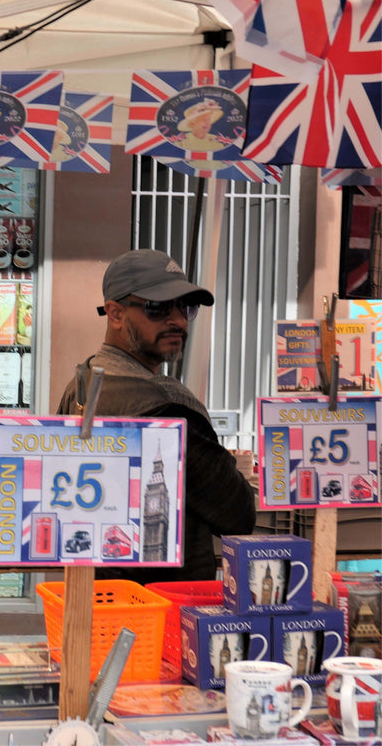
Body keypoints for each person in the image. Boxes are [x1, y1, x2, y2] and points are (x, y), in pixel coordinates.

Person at [56, 248, 256, 583]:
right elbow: (237, 514)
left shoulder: (82, 384)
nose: (177, 320)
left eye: (185, 307)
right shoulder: (168, 408)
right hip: (164, 607)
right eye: (158, 308)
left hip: (97, 601)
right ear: (115, 313)